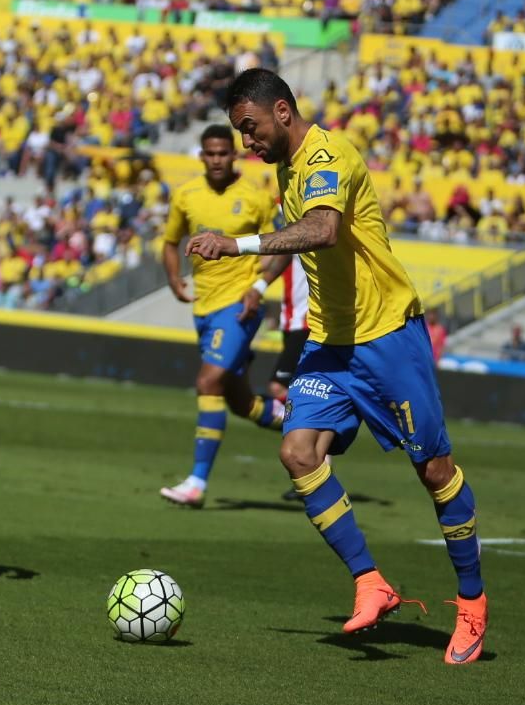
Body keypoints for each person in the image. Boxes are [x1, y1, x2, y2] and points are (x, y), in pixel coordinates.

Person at [187, 69, 487, 664]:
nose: (247, 143)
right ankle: (370, 582)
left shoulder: (327, 154)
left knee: (434, 472)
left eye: (249, 128)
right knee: (298, 452)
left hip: (388, 337)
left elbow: (323, 230)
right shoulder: (285, 167)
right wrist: (260, 278)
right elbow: (301, 237)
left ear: (280, 110)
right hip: (331, 342)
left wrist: (239, 245)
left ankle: (473, 603)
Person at [159, 124, 289, 508]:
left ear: (234, 155)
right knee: (240, 401)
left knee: (207, 381)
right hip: (204, 307)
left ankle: (197, 482)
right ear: (202, 155)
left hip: (240, 304)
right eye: (210, 153)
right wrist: (173, 279)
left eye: (223, 153)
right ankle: (314, 430)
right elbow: (170, 242)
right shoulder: (186, 195)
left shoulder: (255, 197)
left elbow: (282, 245)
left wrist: (260, 285)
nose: (216, 159)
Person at [272, 253, 313, 503]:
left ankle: (311, 460)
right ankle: (314, 463)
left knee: (281, 387)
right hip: (292, 320)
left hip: (304, 321)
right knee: (301, 392)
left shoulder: (303, 229)